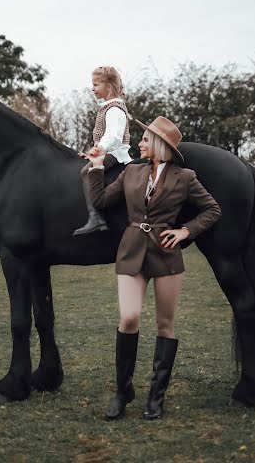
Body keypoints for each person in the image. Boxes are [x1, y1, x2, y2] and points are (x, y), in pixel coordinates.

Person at [87, 116, 221, 420]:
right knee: (129, 316)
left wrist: (185, 231)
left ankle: (155, 398)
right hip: (131, 250)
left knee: (165, 325)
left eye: (145, 139)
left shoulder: (185, 177)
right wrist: (96, 167)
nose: (140, 143)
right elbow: (100, 200)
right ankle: (123, 392)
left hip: (166, 256)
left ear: (161, 144)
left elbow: (212, 209)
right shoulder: (131, 173)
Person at [73, 66, 132, 235]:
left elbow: (113, 135)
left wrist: (99, 150)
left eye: (96, 84)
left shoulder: (113, 109)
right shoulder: (109, 106)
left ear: (109, 86)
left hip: (115, 153)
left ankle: (96, 217)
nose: (93, 88)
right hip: (108, 151)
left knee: (87, 172)